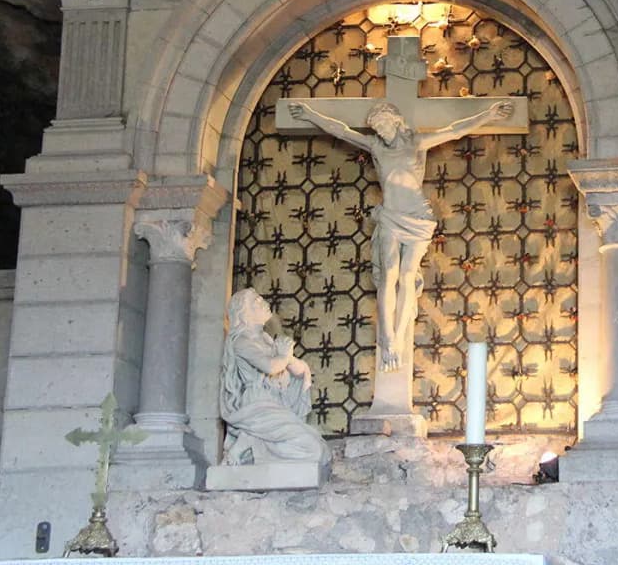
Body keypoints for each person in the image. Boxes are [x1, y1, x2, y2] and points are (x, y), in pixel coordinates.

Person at [286, 97, 513, 371]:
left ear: (394, 120)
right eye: (376, 127)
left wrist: (488, 115)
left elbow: (454, 130)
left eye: (382, 124)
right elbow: (341, 130)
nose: (379, 130)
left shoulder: (416, 143)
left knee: (407, 276)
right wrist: (311, 115)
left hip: (417, 218)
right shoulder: (375, 147)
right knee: (390, 272)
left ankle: (400, 332)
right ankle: (388, 338)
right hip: (391, 217)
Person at [220, 287, 330, 466]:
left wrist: (288, 357)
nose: (263, 302)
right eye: (256, 301)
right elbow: (270, 366)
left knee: (322, 450)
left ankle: (251, 443)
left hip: (277, 405)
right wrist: (284, 355)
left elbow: (299, 370)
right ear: (243, 313)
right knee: (314, 451)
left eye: (261, 297)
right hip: (258, 406)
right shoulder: (241, 342)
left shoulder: (266, 340)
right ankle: (254, 446)